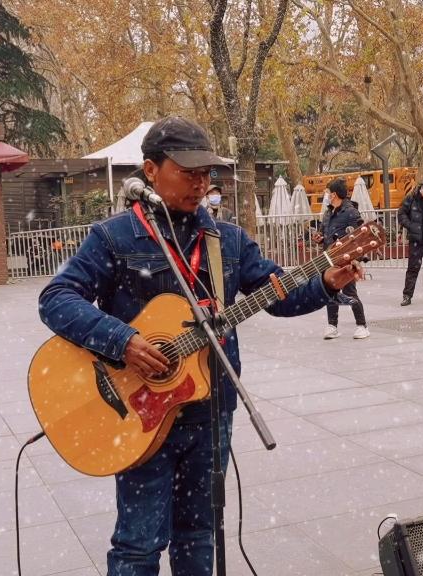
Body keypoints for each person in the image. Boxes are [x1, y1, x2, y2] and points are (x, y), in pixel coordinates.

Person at [37, 116, 361, 576]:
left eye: (206, 173)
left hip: (211, 412)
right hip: (138, 413)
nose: (200, 183)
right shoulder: (113, 236)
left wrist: (326, 282)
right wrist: (123, 340)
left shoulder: (227, 240)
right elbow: (56, 299)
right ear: (151, 171)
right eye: (188, 172)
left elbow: (278, 297)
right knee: (138, 545)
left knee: (199, 535)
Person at [312, 179, 369, 339]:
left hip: (346, 259)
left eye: (327, 192)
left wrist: (356, 260)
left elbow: (360, 237)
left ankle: (362, 326)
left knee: (349, 292)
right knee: (329, 291)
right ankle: (332, 326)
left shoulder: (351, 212)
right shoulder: (328, 212)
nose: (325, 195)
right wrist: (319, 238)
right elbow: (324, 232)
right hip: (329, 258)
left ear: (334, 194)